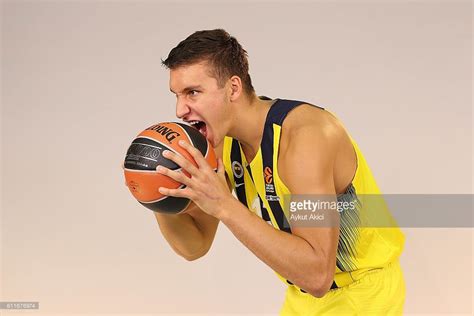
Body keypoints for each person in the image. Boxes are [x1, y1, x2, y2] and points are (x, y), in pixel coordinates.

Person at [154, 29, 406, 315]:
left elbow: (317, 274)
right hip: (302, 297)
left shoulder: (305, 139)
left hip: (362, 295)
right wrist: (155, 191)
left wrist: (225, 204)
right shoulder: (222, 142)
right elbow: (195, 245)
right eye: (177, 95)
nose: (179, 110)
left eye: (193, 93)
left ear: (233, 88)